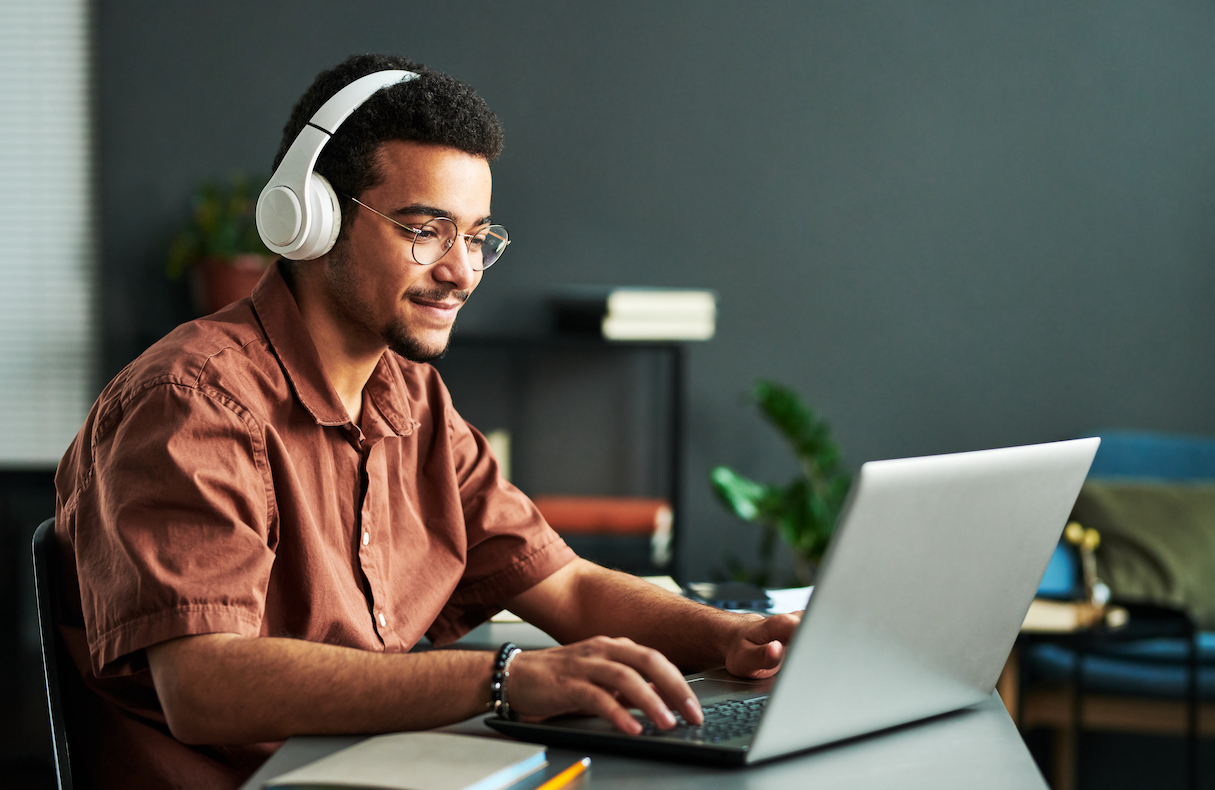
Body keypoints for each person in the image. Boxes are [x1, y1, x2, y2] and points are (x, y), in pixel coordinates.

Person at [53, 54, 799, 789]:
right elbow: (203, 682)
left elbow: (563, 588)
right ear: (310, 219)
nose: (462, 270)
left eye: (476, 237)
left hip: (385, 768)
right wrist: (505, 678)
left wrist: (734, 639)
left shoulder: (412, 398)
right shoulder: (191, 399)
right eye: (426, 230)